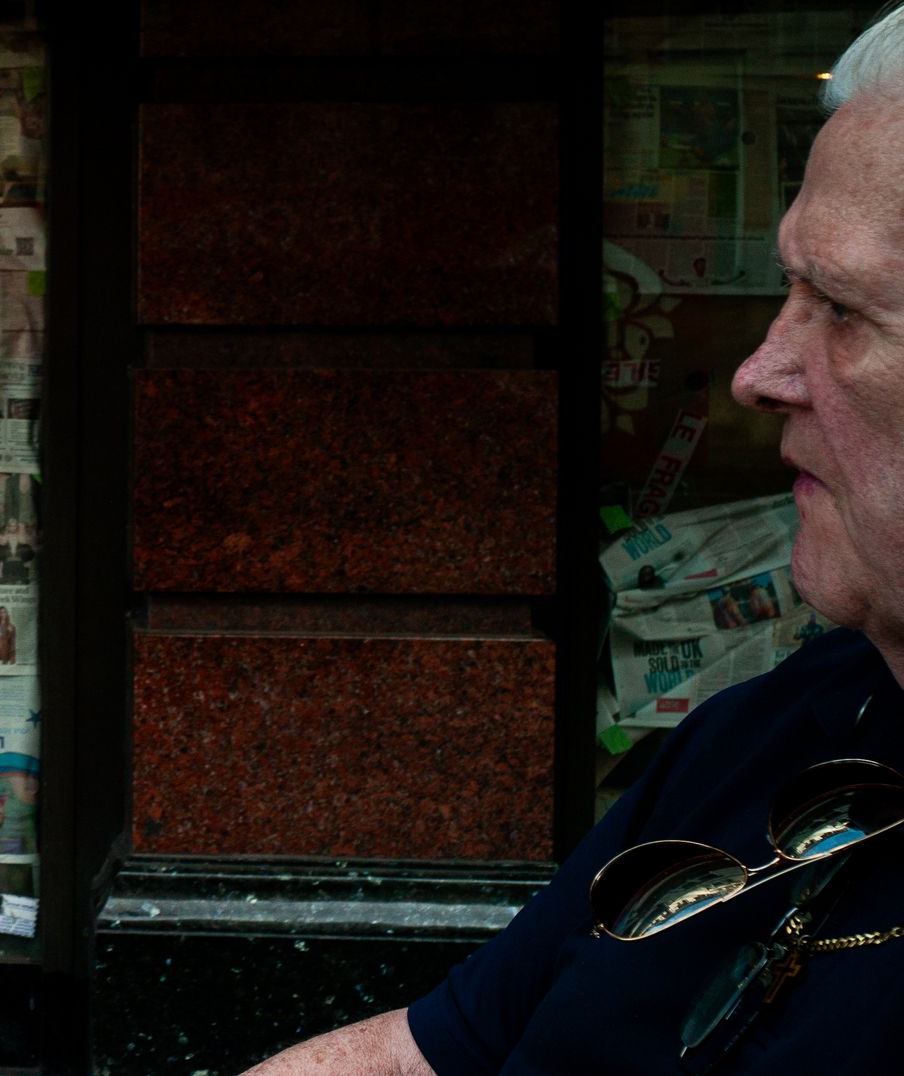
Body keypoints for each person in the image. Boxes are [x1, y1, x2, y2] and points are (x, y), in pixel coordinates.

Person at [248, 11, 904, 1073]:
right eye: (787, 289)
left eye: (834, 306)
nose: (758, 372)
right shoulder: (777, 728)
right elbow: (429, 1050)